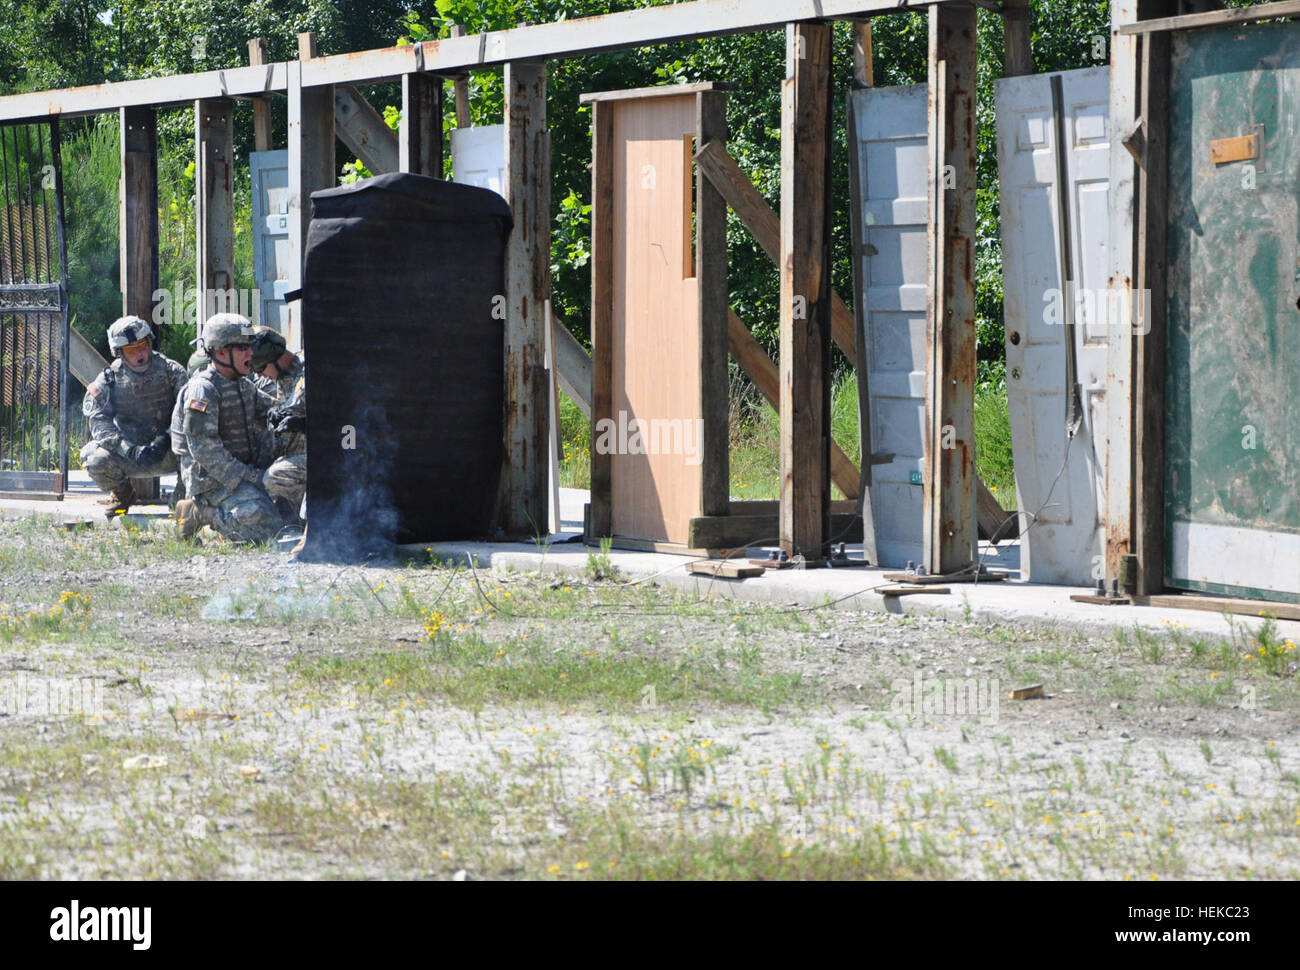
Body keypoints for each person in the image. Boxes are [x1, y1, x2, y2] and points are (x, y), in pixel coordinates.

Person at [171, 313, 279, 544]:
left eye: (250, 346)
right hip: (213, 481)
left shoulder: (242, 385)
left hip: (241, 472)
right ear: (220, 352)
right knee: (266, 525)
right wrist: (252, 477)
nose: (250, 353)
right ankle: (198, 512)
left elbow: (275, 413)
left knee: (287, 514)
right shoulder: (203, 390)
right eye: (242, 347)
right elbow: (205, 452)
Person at [80, 316, 188, 517]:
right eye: (131, 350)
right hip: (130, 455)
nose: (140, 353)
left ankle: (182, 500)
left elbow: (187, 414)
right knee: (92, 457)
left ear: (149, 342)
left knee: (199, 446)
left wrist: (166, 438)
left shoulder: (172, 371)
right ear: (120, 353)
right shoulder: (108, 379)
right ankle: (123, 495)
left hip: (169, 452)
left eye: (143, 345)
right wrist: (128, 450)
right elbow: (98, 421)